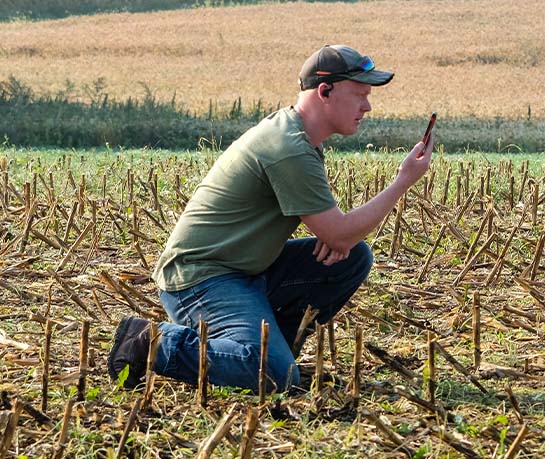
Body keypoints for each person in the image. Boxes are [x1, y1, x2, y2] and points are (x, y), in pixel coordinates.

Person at [107, 44, 434, 392]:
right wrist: (403, 182)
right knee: (274, 375)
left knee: (352, 259)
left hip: (246, 271)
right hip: (201, 279)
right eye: (359, 95)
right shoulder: (289, 147)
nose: (367, 106)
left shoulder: (296, 135)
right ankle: (148, 340)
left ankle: (267, 348)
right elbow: (338, 235)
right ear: (325, 91)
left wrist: (340, 236)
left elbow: (341, 240)